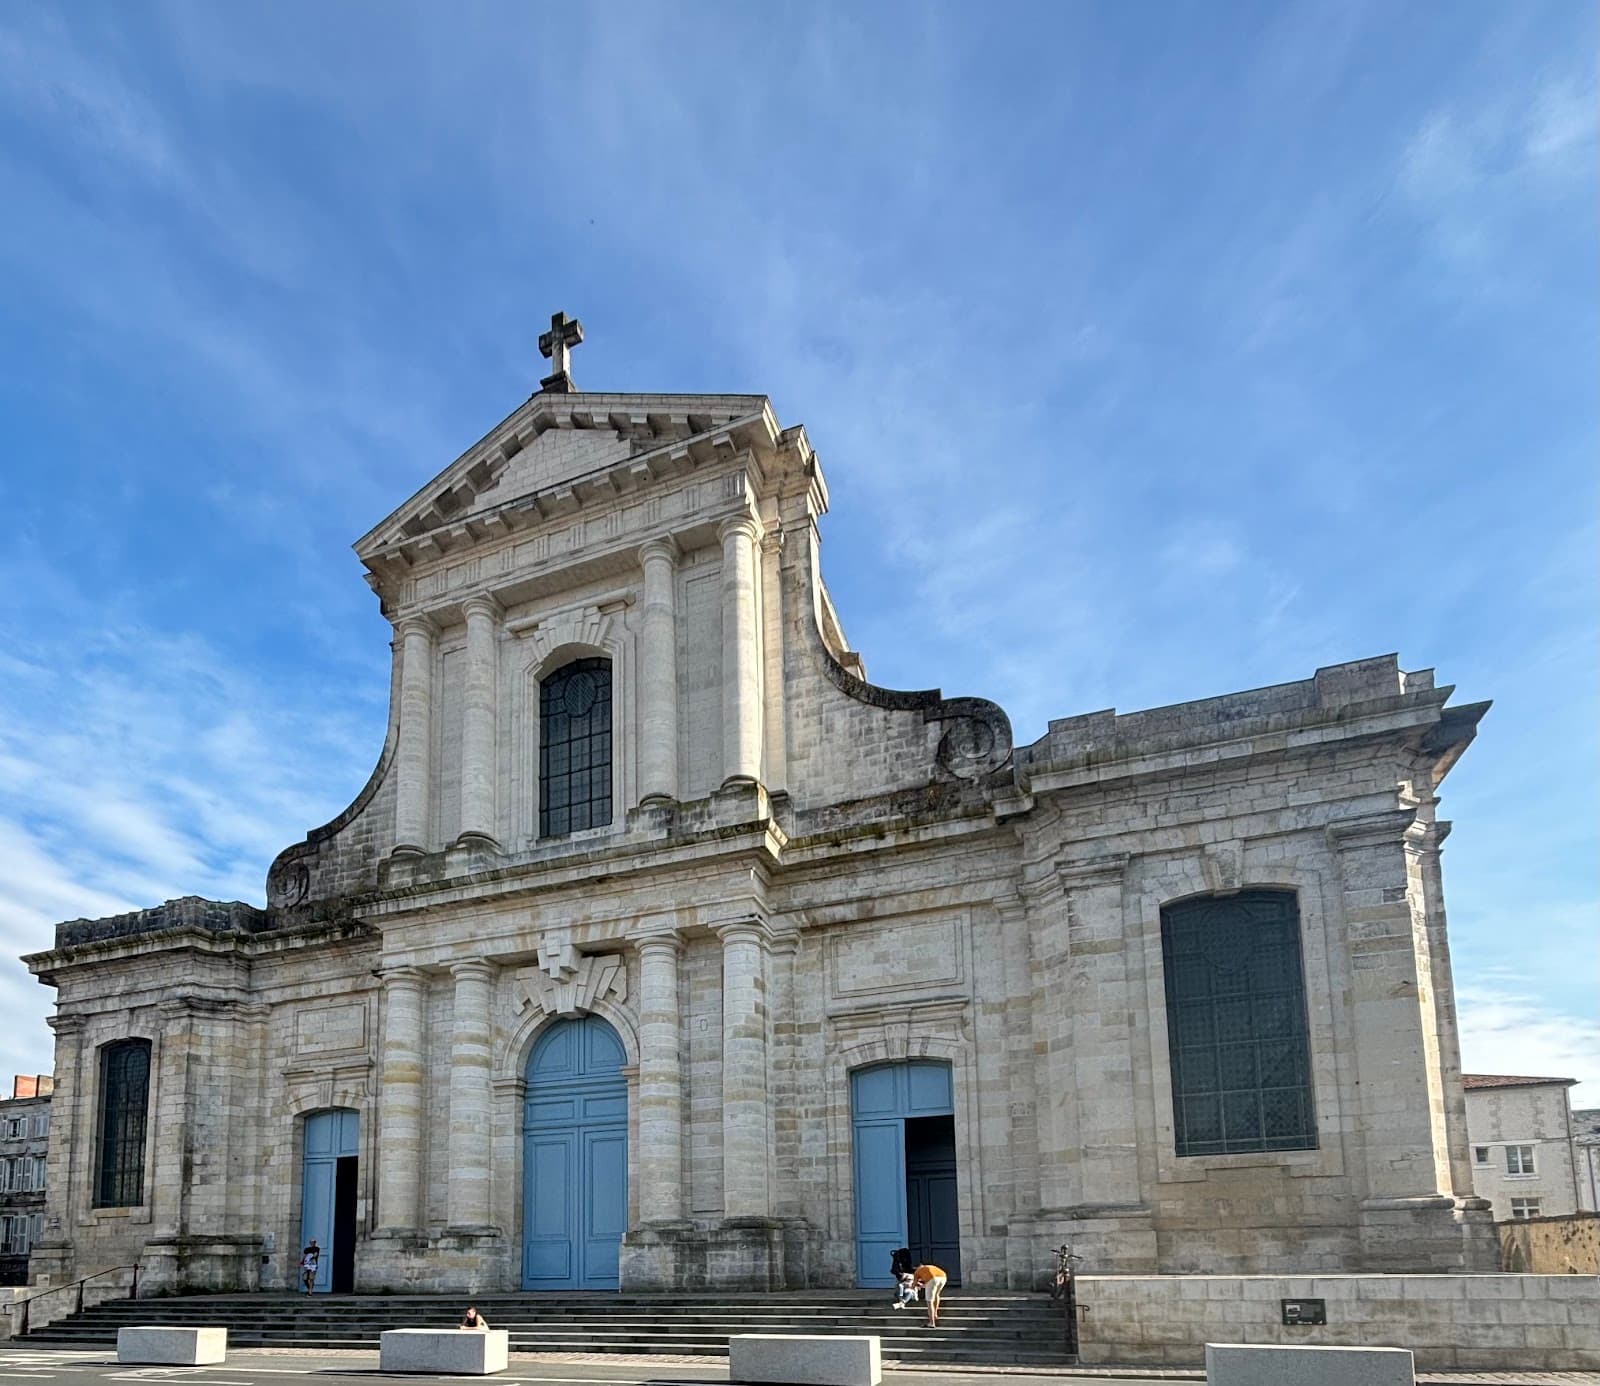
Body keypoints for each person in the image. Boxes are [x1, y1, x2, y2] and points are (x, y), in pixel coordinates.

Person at [911, 1263, 947, 1327]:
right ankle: (935, 1314)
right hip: (943, 1277)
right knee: (936, 1295)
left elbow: (914, 1285)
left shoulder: (917, 1272)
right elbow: (930, 1283)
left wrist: (911, 1287)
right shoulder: (929, 1267)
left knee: (929, 1301)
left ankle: (931, 1323)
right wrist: (922, 1285)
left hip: (933, 1278)